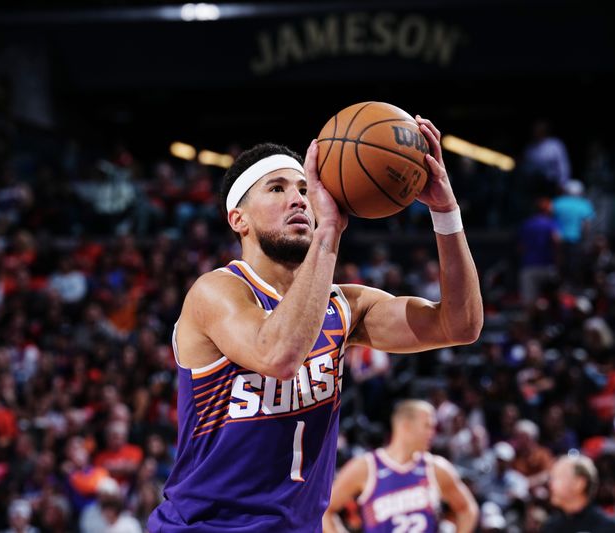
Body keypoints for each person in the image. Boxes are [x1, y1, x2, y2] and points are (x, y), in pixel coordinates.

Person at [147, 115, 483, 532]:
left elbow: (460, 324)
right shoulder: (216, 292)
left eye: (306, 189)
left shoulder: (345, 305)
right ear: (238, 219)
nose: (299, 199)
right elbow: (278, 354)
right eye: (277, 188)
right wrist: (329, 233)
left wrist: (446, 212)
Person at [322, 400, 478, 533]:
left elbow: (468, 510)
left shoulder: (436, 468)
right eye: (427, 426)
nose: (432, 433)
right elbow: (325, 511)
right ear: (406, 426)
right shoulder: (366, 467)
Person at [541, 454, 615, 533]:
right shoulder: (550, 526)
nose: (550, 485)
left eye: (557, 478)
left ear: (579, 483)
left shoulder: (606, 526)